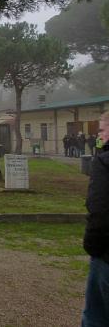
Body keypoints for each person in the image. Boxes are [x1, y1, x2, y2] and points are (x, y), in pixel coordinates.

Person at [82, 112, 109, 325]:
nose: (98, 135)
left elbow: (99, 209)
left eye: (101, 130)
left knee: (96, 316)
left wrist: (92, 246)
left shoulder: (103, 164)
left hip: (106, 255)